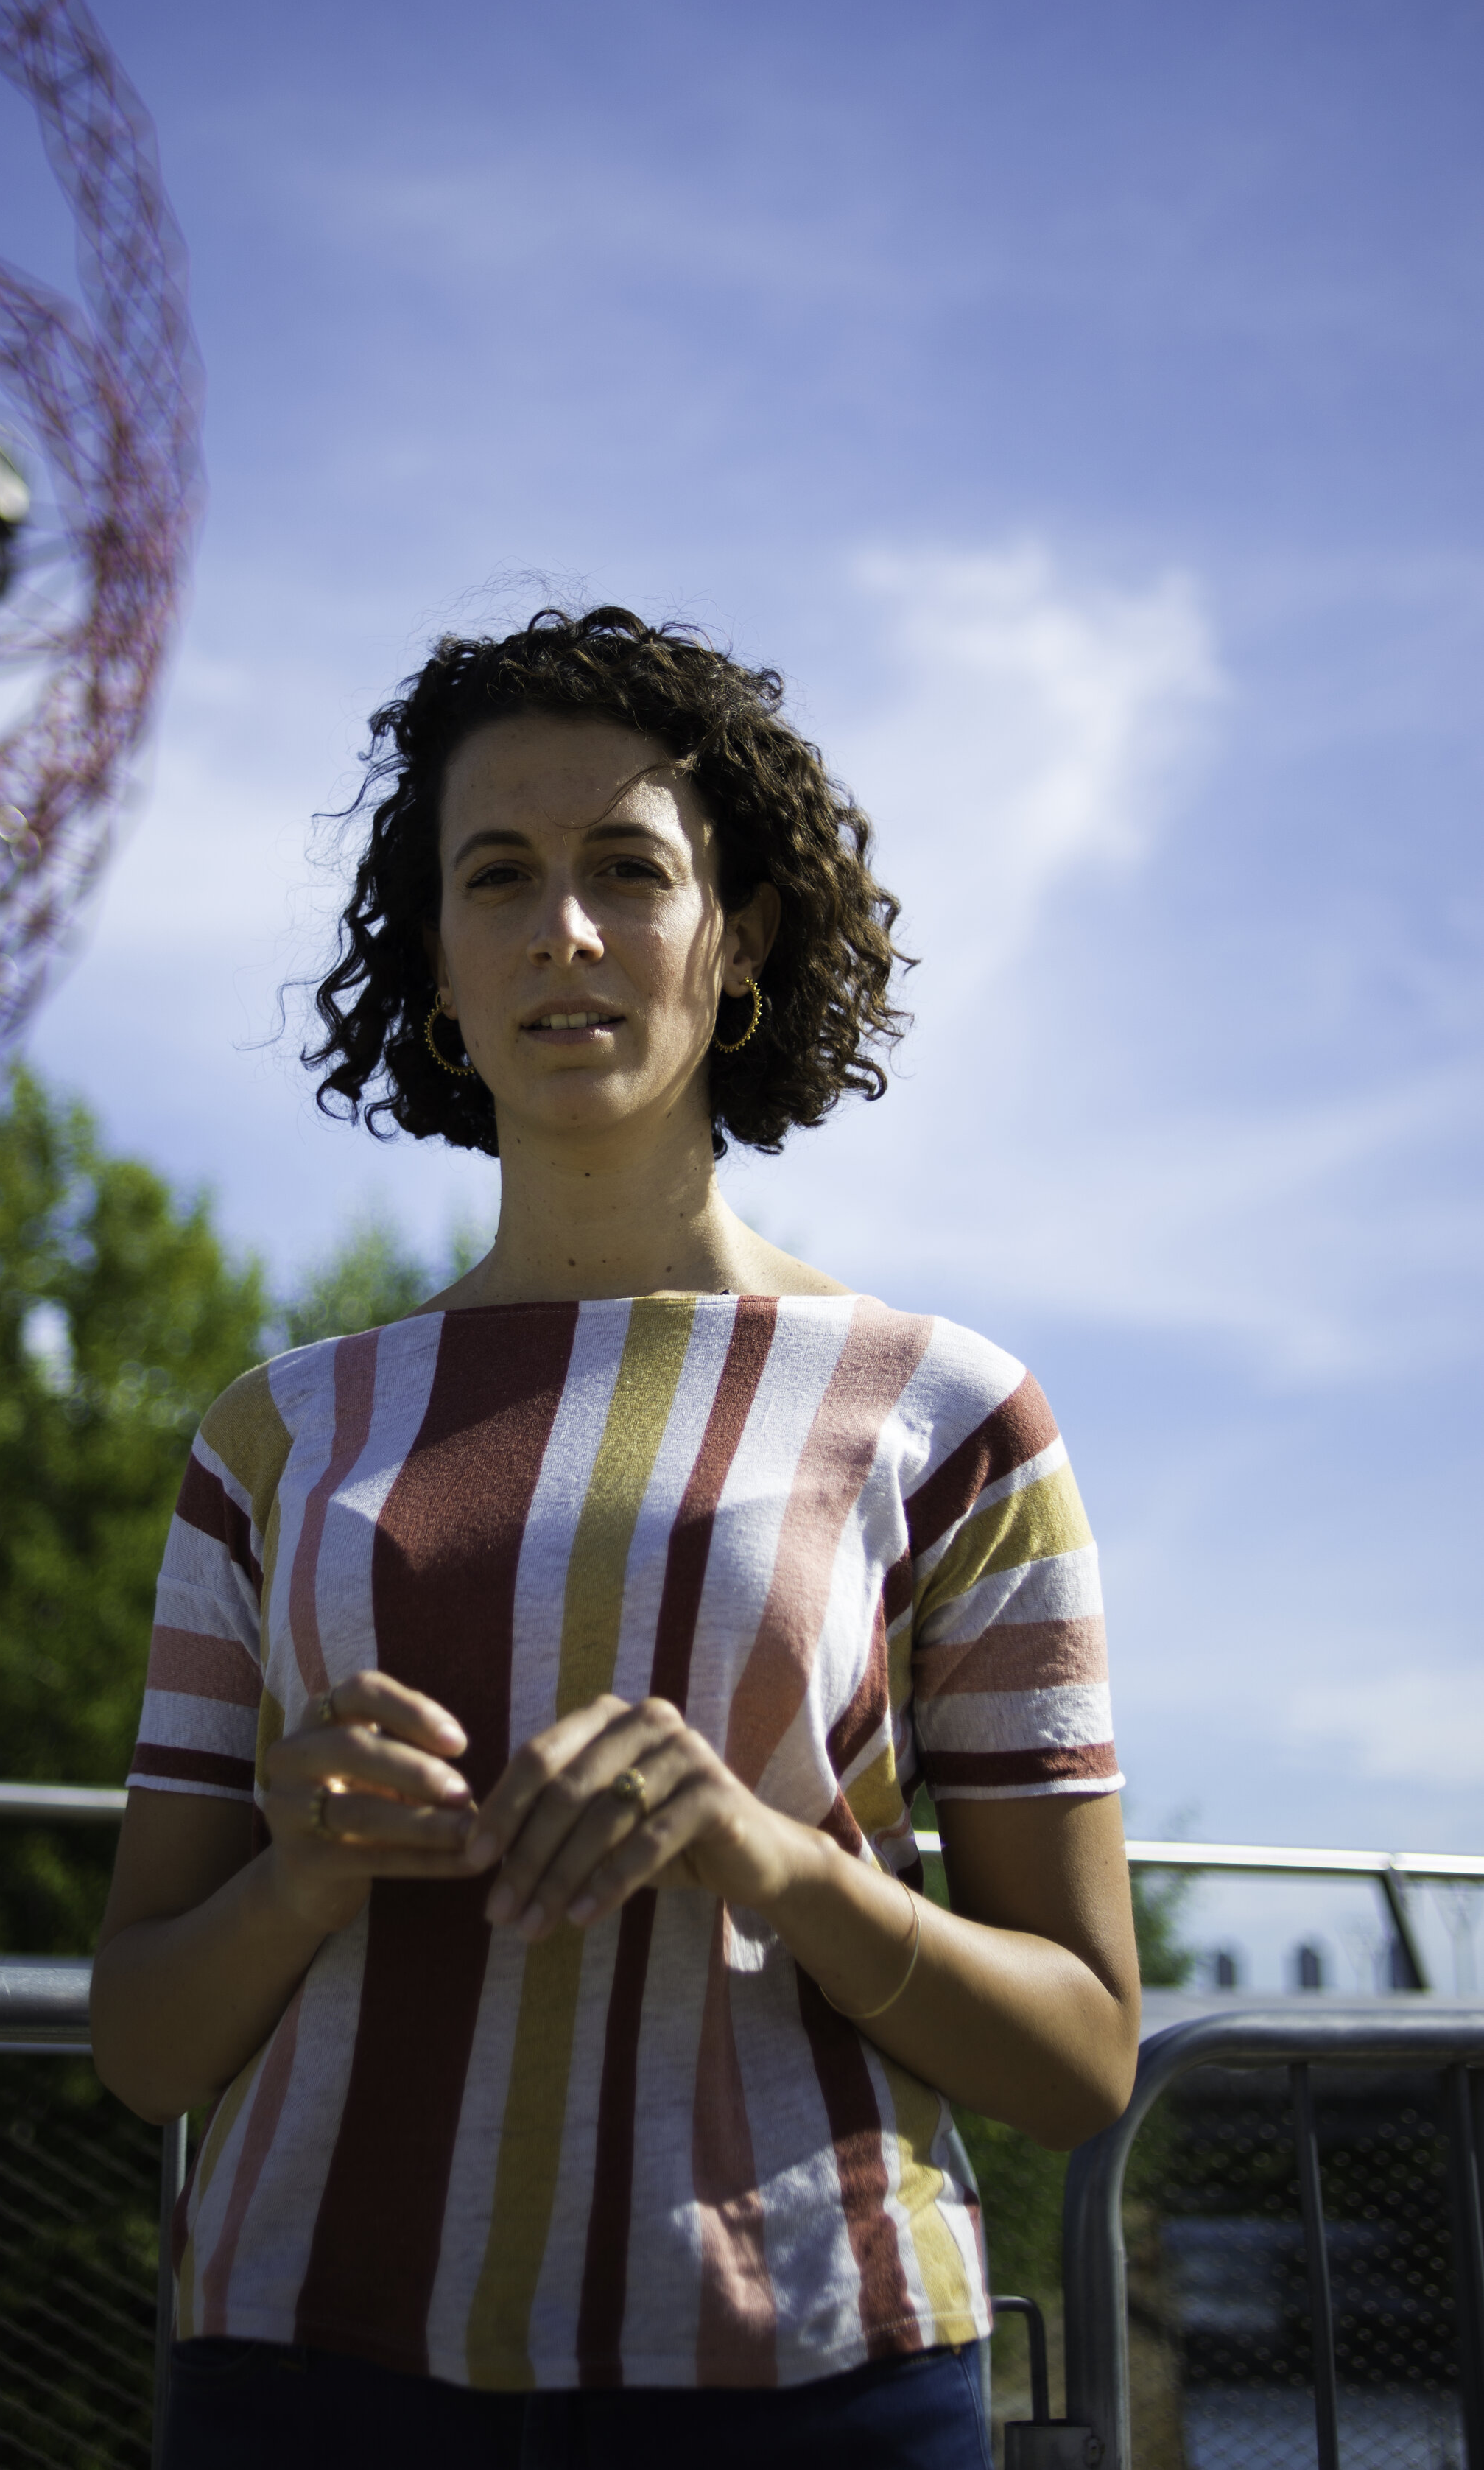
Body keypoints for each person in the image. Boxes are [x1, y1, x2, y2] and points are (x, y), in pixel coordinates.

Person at [92, 606, 1140, 2469]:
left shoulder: (951, 1414)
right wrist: (303, 1874)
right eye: (496, 874)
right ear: (435, 958)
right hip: (299, 2373)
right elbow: (146, 2045)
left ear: (731, 940)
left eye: (627, 871)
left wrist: (775, 1859)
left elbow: (1079, 2054)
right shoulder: (270, 1435)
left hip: (812, 2390)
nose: (562, 930)